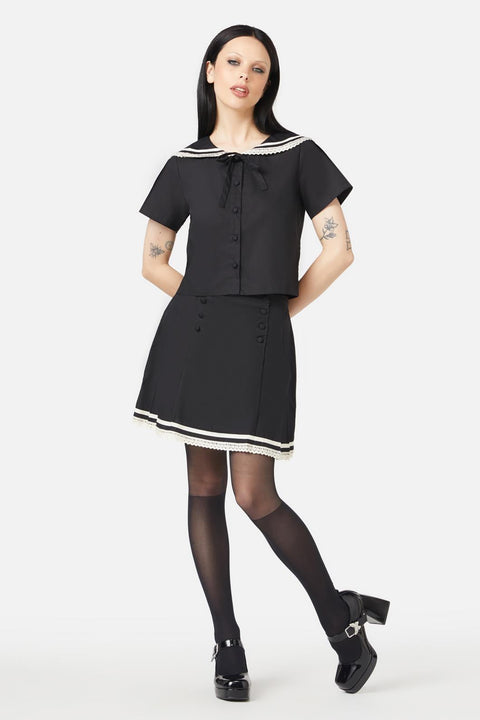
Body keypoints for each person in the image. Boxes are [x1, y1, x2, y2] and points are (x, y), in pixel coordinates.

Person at [132, 24, 390, 701]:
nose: (244, 76)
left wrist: (278, 312)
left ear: (268, 82)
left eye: (259, 68)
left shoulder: (299, 155)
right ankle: (228, 645)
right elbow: (153, 261)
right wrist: (206, 307)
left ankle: (341, 622)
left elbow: (339, 250)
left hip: (261, 339)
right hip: (193, 338)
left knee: (255, 495)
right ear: (211, 71)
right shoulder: (183, 164)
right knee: (204, 489)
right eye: (234, 62)